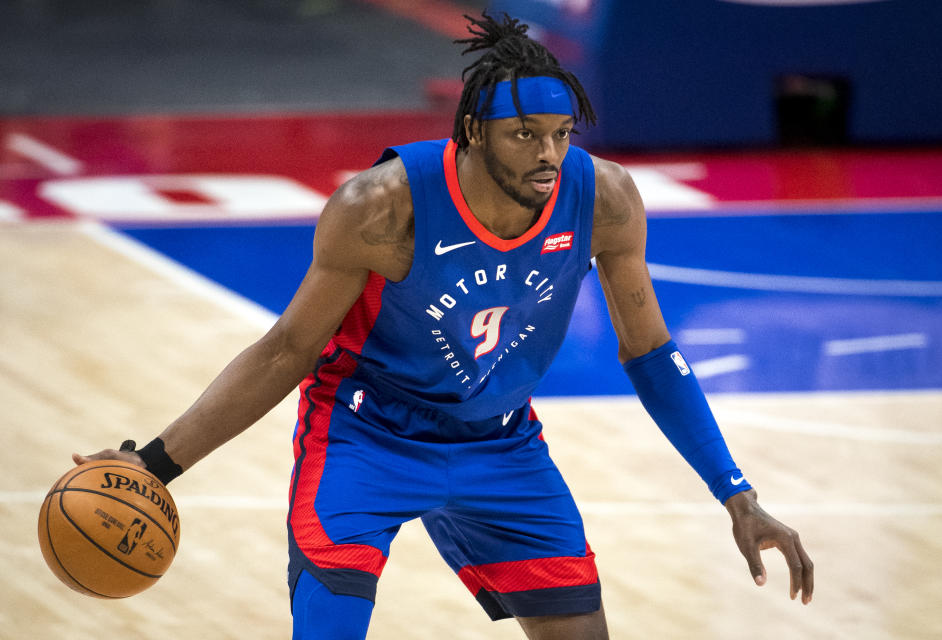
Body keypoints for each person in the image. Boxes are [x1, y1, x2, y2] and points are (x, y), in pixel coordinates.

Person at [76, 12, 813, 640]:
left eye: (560, 134)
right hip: (368, 436)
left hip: (500, 444)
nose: (550, 155)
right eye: (525, 135)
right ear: (471, 131)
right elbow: (287, 350)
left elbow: (650, 352)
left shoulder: (605, 199)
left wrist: (736, 492)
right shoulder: (382, 207)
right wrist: (156, 464)